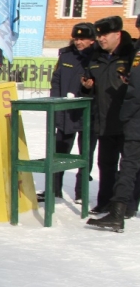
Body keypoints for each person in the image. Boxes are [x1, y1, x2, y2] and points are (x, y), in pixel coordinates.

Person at [80, 16, 136, 213]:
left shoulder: (131, 55)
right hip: (104, 120)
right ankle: (104, 201)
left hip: (127, 121)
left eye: (104, 35)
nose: (101, 39)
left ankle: (127, 205)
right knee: (105, 164)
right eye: (98, 35)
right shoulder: (96, 57)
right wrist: (86, 87)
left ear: (117, 35)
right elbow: (89, 85)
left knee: (129, 165)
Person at [87, 48, 140, 231]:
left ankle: (117, 213)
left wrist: (125, 114)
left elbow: (136, 90)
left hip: (136, 119)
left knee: (129, 165)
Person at [44, 22, 97, 203]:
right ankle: (53, 189)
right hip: (66, 112)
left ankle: (81, 192)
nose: (78, 42)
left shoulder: (98, 57)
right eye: (76, 38)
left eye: (82, 39)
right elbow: (56, 81)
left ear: (92, 40)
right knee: (59, 152)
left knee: (86, 153)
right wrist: (55, 105)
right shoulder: (66, 54)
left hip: (87, 113)